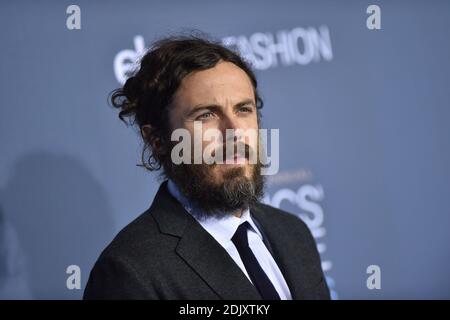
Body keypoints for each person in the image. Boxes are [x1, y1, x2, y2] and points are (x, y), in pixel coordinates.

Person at [84, 34, 330, 300]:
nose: (234, 131)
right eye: (206, 115)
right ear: (157, 140)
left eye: (243, 109)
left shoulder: (293, 233)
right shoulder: (129, 273)